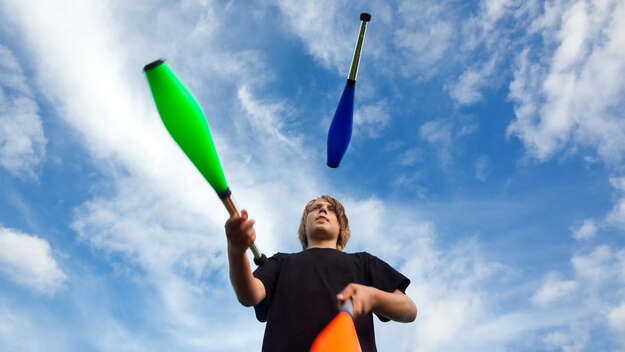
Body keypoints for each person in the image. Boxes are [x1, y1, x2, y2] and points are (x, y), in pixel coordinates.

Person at [225, 195, 417, 351]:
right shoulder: (281, 261)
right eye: (315, 208)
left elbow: (409, 310)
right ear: (304, 225)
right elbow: (249, 295)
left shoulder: (363, 262)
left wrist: (374, 297)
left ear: (341, 226)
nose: (323, 210)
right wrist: (236, 250)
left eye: (331, 209)